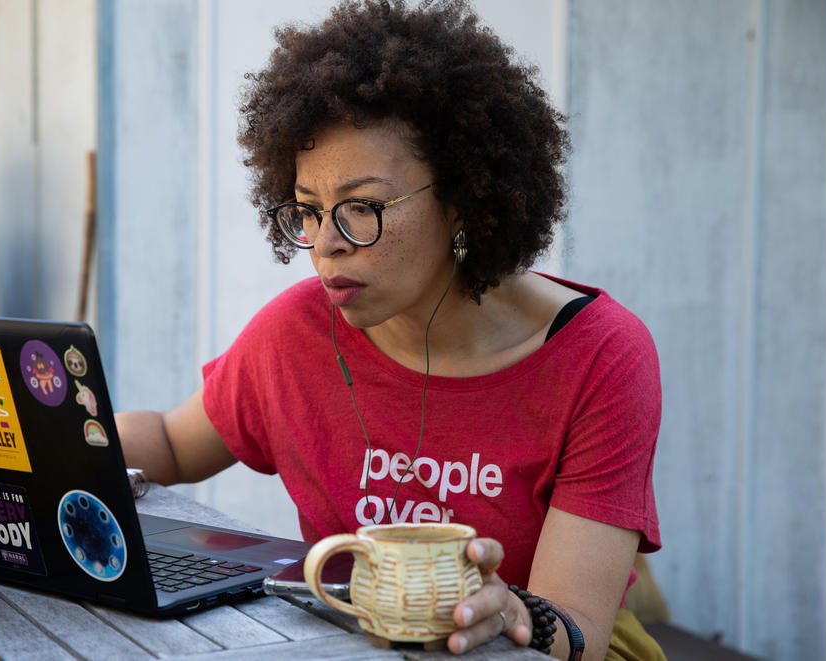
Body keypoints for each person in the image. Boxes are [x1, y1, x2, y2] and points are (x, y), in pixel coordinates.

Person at [117, 1, 663, 658]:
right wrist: (47, 444)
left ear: (463, 194)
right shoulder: (295, 335)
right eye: (311, 211)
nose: (325, 248)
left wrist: (516, 612)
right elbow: (172, 445)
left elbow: (581, 628)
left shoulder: (599, 355)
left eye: (362, 209)